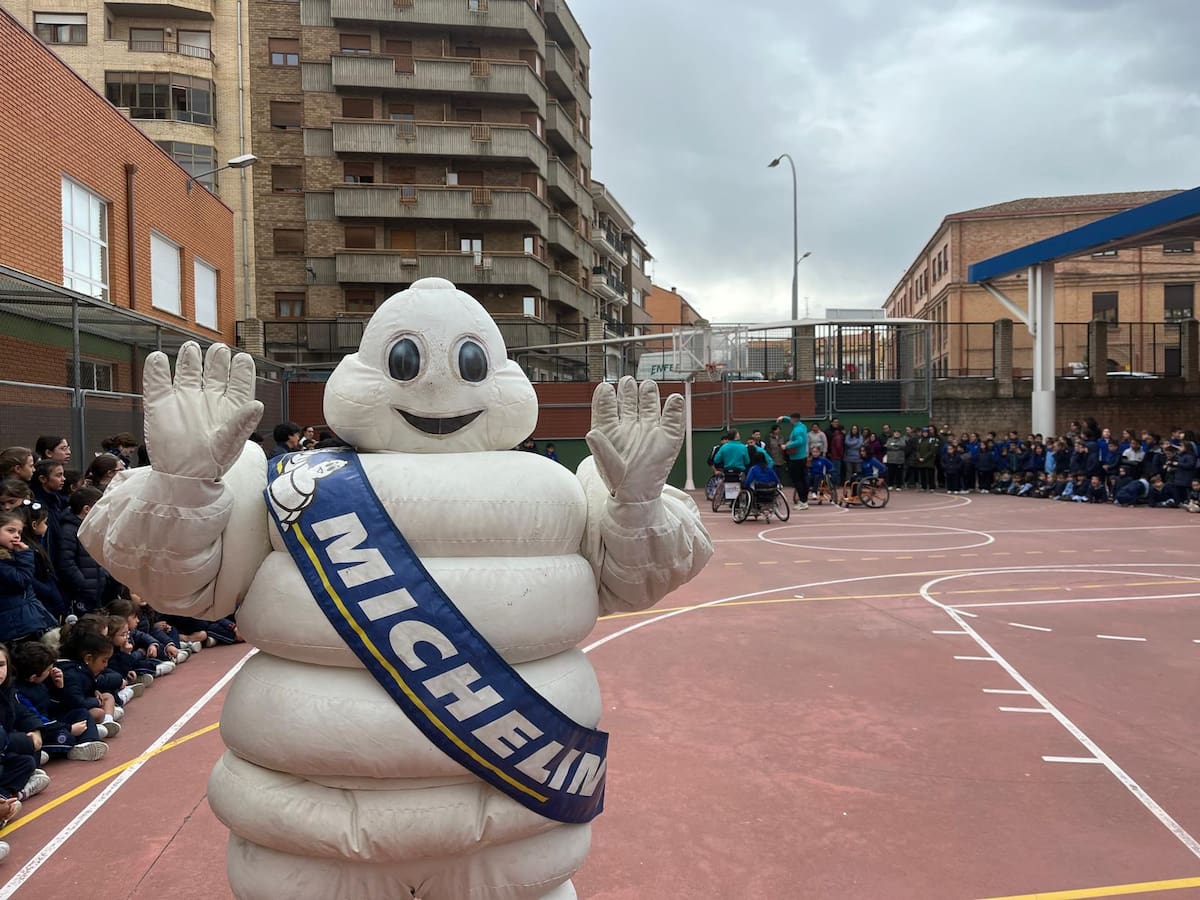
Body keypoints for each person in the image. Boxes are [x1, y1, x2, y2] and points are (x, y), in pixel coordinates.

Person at [0, 644, 51, 805]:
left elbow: (22, 712)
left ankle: (7, 795)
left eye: (1, 665)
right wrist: (26, 741)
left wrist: (35, 730)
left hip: (4, 750)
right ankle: (13, 794)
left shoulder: (6, 689)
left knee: (26, 762)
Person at [55, 487, 114, 615]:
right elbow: (66, 563)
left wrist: (104, 575)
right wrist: (83, 584)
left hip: (97, 590)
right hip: (81, 593)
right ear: (87, 509)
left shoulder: (92, 528)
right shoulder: (69, 531)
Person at [0, 511, 57, 644]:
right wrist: (25, 555)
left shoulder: (11, 555)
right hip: (14, 627)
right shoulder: (5, 561)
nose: (16, 535)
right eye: (10, 530)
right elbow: (21, 580)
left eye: (19, 532)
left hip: (23, 620)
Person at [776, 416, 808, 508]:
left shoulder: (797, 430)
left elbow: (799, 441)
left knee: (797, 481)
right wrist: (783, 418)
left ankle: (803, 501)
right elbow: (792, 419)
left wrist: (786, 446)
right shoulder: (802, 426)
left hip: (796, 458)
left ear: (793, 420)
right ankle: (804, 501)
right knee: (803, 479)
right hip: (802, 457)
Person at [914, 427, 938, 492]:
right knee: (922, 474)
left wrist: (924, 458)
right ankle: (923, 487)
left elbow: (932, 450)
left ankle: (931, 487)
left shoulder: (932, 440)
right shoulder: (920, 440)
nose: (925, 434)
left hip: (929, 460)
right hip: (921, 460)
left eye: (926, 432)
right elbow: (917, 450)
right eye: (924, 432)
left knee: (930, 474)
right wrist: (919, 457)